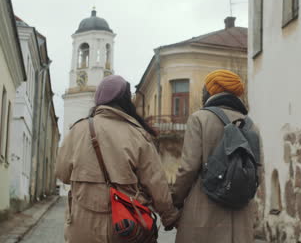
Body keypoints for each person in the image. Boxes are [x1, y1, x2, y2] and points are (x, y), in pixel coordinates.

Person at [56, 75, 179, 243]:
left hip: (82, 229)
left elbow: (62, 174)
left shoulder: (78, 131)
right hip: (126, 229)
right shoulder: (138, 135)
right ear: (126, 100)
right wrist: (169, 216)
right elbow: (156, 184)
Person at [171, 69, 261, 243]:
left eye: (205, 88)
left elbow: (188, 169)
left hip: (203, 216)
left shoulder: (199, 119)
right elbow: (257, 175)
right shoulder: (251, 126)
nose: (203, 92)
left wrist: (175, 202)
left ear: (212, 90)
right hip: (240, 219)